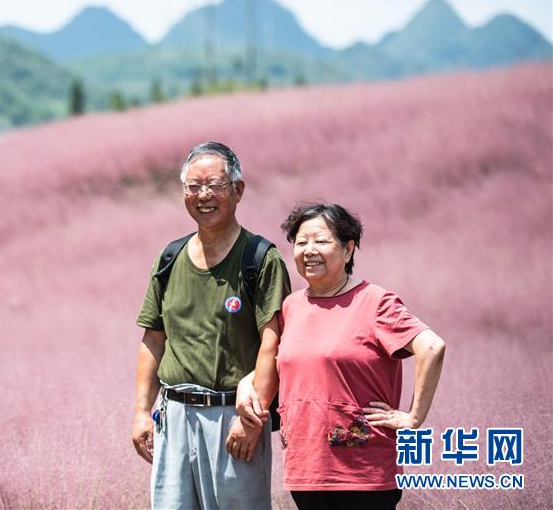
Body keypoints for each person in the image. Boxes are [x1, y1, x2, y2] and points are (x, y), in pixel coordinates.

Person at [236, 202, 446, 510]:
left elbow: (431, 347)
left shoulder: (374, 301)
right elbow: (288, 363)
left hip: (363, 473)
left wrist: (413, 417)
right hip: (306, 469)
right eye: (301, 242)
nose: (309, 250)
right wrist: (246, 383)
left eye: (320, 241)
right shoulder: (292, 306)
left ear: (348, 250)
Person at [132, 142, 290, 509]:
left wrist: (252, 421)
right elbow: (153, 340)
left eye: (215, 185)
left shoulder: (260, 259)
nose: (203, 195)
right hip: (172, 417)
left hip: (233, 418)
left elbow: (274, 343)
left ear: (237, 190)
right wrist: (142, 411)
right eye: (193, 186)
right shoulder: (170, 258)